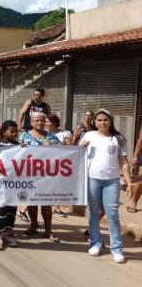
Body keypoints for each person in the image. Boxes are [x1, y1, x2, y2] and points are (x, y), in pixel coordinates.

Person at [81, 109, 133, 263]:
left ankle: (117, 249)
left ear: (110, 121)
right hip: (92, 179)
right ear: (95, 122)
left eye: (105, 120)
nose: (102, 122)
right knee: (93, 212)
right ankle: (95, 242)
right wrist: (81, 148)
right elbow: (76, 157)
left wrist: (129, 182)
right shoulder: (89, 136)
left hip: (112, 181)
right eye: (99, 120)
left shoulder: (118, 139)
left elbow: (124, 163)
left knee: (112, 215)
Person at [19, 111, 61, 242]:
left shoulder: (52, 137)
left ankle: (48, 230)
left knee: (46, 203)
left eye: (42, 120)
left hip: (47, 175)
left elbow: (62, 153)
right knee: (31, 201)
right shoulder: (24, 136)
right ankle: (33, 226)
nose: (40, 122)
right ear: (31, 122)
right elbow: (17, 153)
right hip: (29, 174)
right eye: (37, 120)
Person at [0, 120, 20, 250]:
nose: (14, 134)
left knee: (11, 209)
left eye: (15, 132)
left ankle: (7, 233)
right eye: (11, 131)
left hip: (13, 182)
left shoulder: (19, 145)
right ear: (4, 132)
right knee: (0, 208)